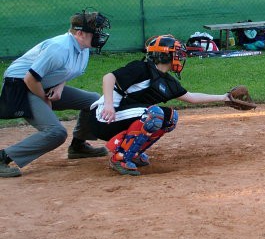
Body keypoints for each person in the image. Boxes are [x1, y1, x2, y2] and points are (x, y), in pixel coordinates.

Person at [84, 34, 242, 176]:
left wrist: (224, 97)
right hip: (103, 118)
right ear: (165, 55)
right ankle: (119, 158)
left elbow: (192, 97)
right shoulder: (141, 68)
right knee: (154, 114)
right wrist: (109, 105)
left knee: (170, 117)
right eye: (176, 54)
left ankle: (131, 153)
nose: (179, 58)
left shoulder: (167, 81)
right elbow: (108, 78)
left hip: (121, 117)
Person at [0, 10, 112, 178]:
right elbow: (30, 78)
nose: (99, 35)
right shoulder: (59, 48)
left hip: (42, 84)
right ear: (80, 33)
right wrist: (45, 100)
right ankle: (3, 157)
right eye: (95, 32)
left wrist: (59, 88)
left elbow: (64, 72)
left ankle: (78, 146)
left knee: (94, 101)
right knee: (56, 133)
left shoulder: (82, 48)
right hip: (20, 86)